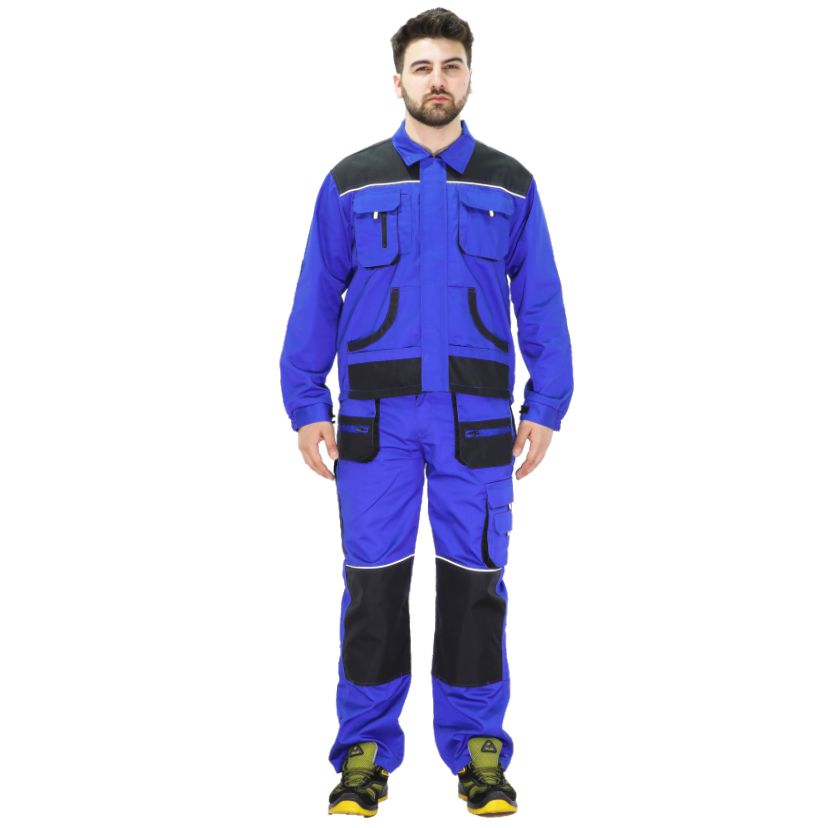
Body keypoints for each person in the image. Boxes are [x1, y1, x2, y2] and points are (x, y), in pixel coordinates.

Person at [279, 8, 574, 818]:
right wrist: (306, 404)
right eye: (422, 67)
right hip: (373, 428)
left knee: (475, 588)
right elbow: (315, 297)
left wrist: (547, 403)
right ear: (398, 80)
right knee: (373, 591)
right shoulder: (352, 181)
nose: (437, 80)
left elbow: (541, 301)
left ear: (469, 77)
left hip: (477, 426)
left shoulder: (509, 184)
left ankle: (479, 753)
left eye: (451, 65)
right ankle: (364, 756)